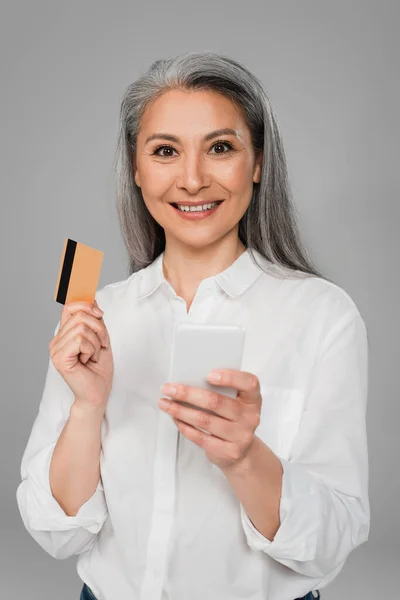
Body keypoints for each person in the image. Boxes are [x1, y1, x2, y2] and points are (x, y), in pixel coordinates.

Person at [16, 51, 369, 600]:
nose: (193, 179)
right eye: (164, 151)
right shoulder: (95, 316)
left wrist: (244, 455)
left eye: (221, 148)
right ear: (136, 169)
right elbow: (56, 532)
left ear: (257, 162)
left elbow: (334, 538)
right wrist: (87, 406)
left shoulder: (323, 315)